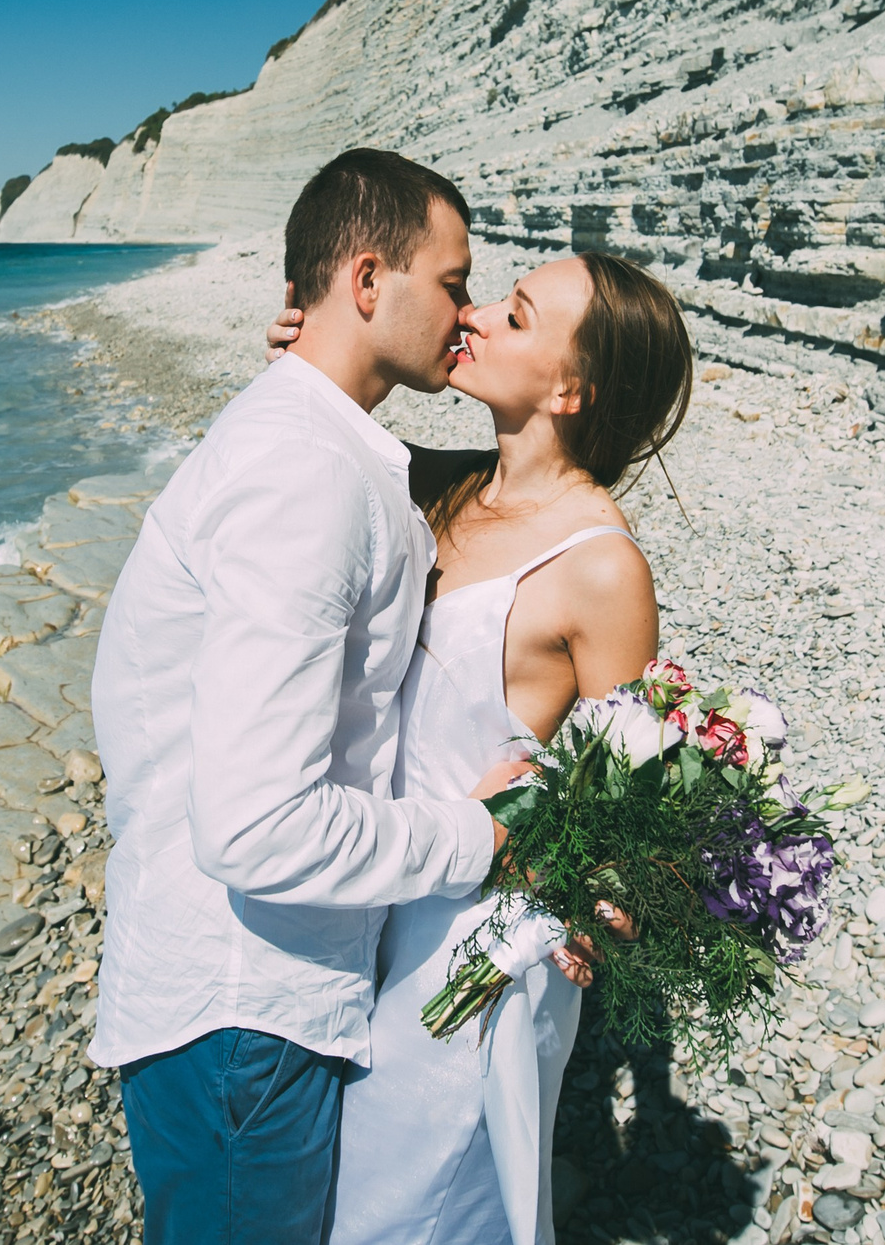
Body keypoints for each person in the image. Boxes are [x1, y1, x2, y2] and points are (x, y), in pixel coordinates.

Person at [89, 148, 534, 1245]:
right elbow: (256, 821)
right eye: (453, 279)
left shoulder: (322, 446)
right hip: (246, 1006)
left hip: (249, 996)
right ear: (369, 281)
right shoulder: (304, 472)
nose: (467, 311)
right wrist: (478, 837)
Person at [268, 250, 696, 1245]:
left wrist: (609, 903)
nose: (477, 314)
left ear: (569, 386)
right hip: (378, 881)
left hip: (479, 946)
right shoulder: (445, 485)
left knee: (404, 1202)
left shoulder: (600, 565)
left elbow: (636, 800)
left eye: (517, 313)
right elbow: (323, 449)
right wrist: (305, 358)